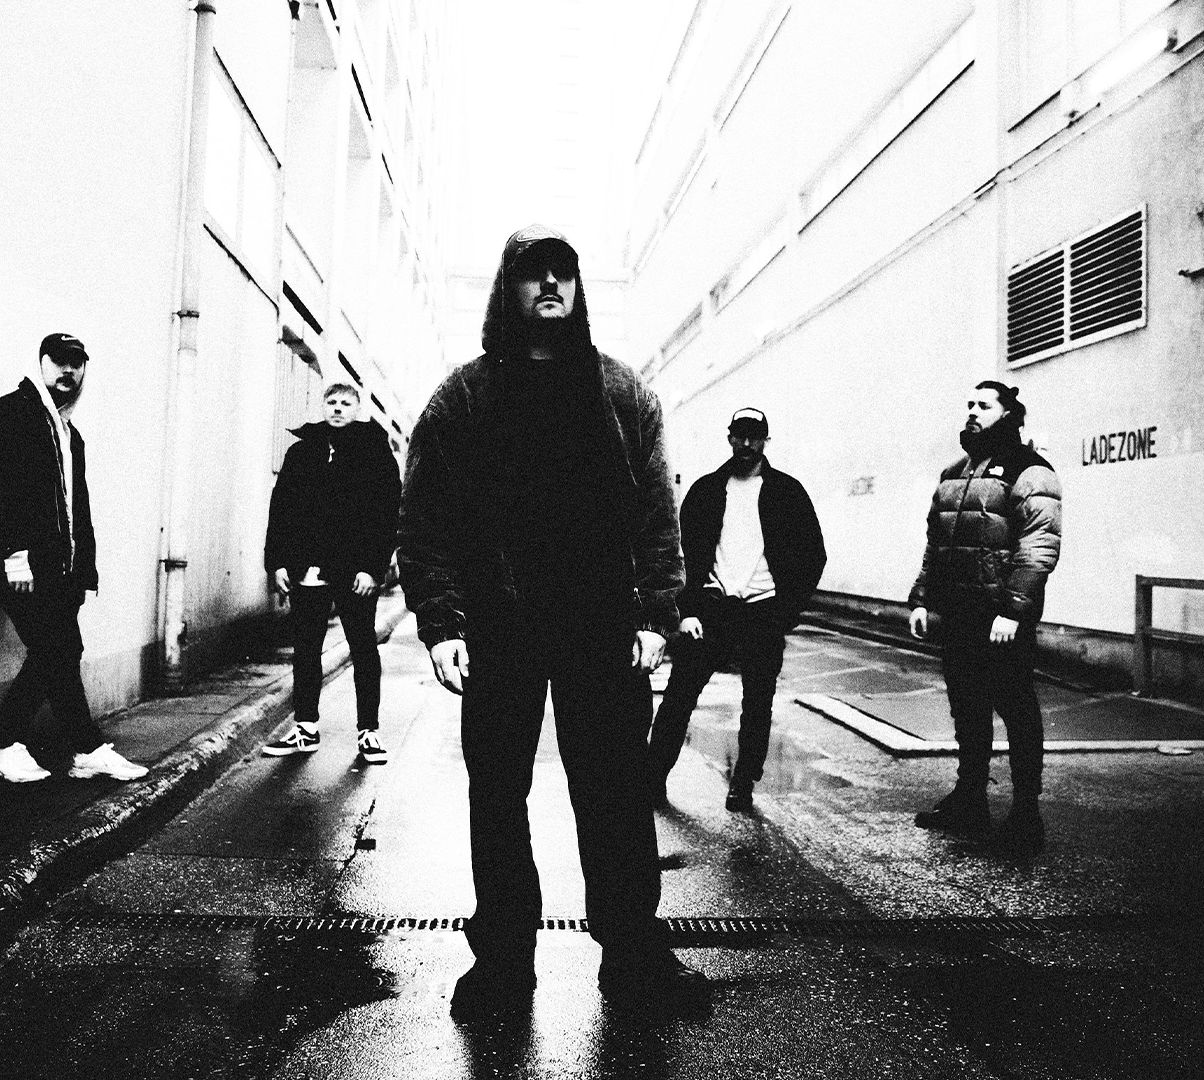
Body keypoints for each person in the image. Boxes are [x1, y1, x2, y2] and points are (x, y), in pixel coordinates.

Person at [399, 225, 706, 1017]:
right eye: (533, 273)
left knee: (614, 794)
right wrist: (442, 623)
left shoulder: (620, 394)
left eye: (562, 273)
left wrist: (656, 614)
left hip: (601, 628)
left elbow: (656, 515)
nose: (550, 285)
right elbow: (425, 518)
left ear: (577, 288)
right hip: (499, 629)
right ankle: (503, 962)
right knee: (498, 797)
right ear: (509, 287)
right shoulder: (466, 397)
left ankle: (632, 955)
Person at [0, 333, 148, 784]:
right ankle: (49, 747)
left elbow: (76, 509)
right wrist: (13, 557)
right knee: (57, 649)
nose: (69, 371)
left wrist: (84, 572)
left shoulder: (69, 434)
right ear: (42, 363)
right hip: (23, 567)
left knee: (60, 651)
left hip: (61, 572)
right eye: (60, 361)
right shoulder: (10, 415)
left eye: (77, 363)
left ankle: (36, 747)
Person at [907, 381, 1061, 853]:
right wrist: (921, 598)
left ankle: (1026, 814)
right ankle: (970, 800)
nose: (973, 411)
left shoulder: (1030, 470)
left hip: (1000, 619)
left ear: (1008, 413)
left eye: (984, 405)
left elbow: (1039, 546)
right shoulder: (954, 472)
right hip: (959, 614)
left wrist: (1013, 610)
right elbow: (936, 544)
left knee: (1016, 709)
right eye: (970, 404)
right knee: (968, 709)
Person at [648, 407, 825, 811]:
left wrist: (786, 611)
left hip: (763, 612)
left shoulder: (787, 492)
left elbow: (813, 555)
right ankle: (653, 778)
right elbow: (680, 554)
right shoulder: (706, 491)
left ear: (765, 439)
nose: (747, 444)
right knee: (679, 698)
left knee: (757, 704)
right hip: (710, 611)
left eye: (754, 436)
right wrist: (685, 611)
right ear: (729, 437)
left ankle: (743, 783)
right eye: (740, 435)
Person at [261, 382, 402, 764]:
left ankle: (369, 733)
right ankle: (305, 728)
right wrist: (277, 562)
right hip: (308, 569)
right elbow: (281, 509)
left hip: (355, 573)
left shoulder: (375, 452)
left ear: (356, 409)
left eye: (345, 403)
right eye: (332, 402)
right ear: (324, 406)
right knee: (306, 650)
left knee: (363, 649)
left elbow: (388, 513)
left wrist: (373, 568)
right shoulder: (302, 451)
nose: (338, 408)